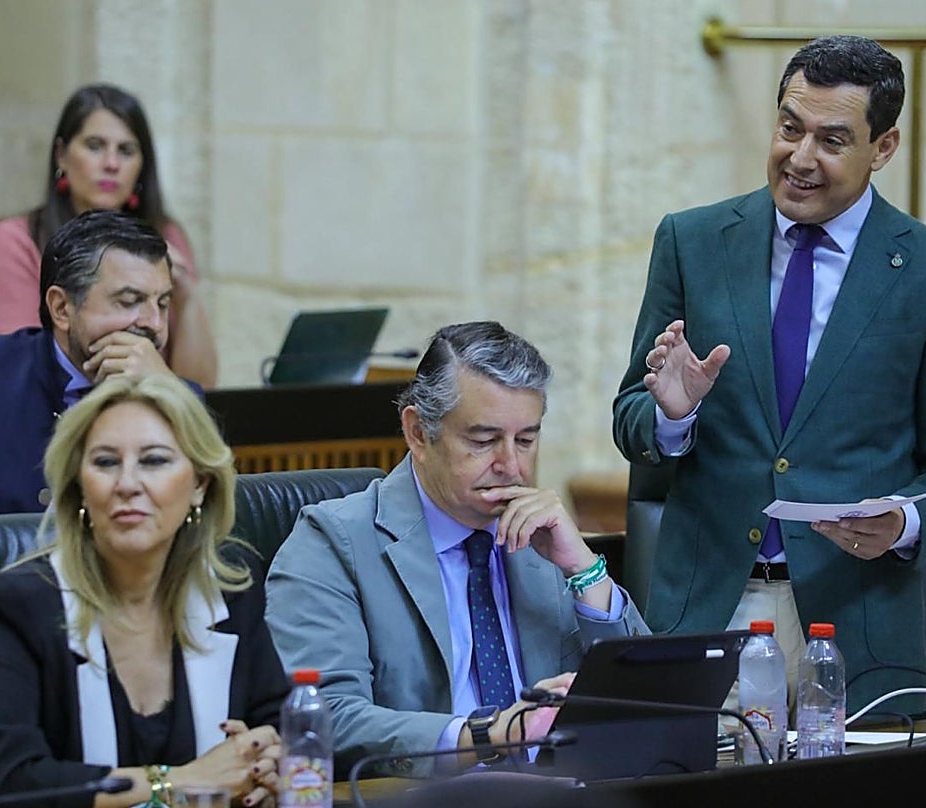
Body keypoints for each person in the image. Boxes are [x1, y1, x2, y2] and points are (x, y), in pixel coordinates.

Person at [612, 35, 926, 713]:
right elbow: (630, 418)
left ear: (883, 148)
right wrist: (672, 415)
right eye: (790, 128)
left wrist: (906, 518)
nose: (800, 157)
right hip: (708, 613)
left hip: (855, 624)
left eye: (831, 140)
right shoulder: (692, 242)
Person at [266, 321, 649, 778]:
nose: (511, 466)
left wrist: (584, 569)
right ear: (418, 433)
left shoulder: (541, 542)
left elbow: (651, 702)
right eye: (483, 441)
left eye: (526, 439)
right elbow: (324, 717)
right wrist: (490, 734)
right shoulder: (333, 543)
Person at [0, 375, 289, 807]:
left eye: (153, 460)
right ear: (79, 487)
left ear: (199, 487)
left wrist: (265, 768)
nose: (127, 484)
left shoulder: (231, 593)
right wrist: (177, 782)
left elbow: (277, 731)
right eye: (106, 462)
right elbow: (3, 781)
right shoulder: (15, 607)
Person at [0, 208, 192, 516]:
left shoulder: (180, 400)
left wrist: (167, 396)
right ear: (62, 308)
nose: (154, 324)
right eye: (129, 301)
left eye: (162, 304)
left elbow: (215, 519)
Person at [0, 83, 217, 387]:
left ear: (142, 167)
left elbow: (202, 390)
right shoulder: (15, 240)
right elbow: (14, 369)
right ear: (61, 155)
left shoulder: (165, 236)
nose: (112, 164)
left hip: (153, 419)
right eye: (95, 146)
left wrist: (186, 294)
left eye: (126, 151)